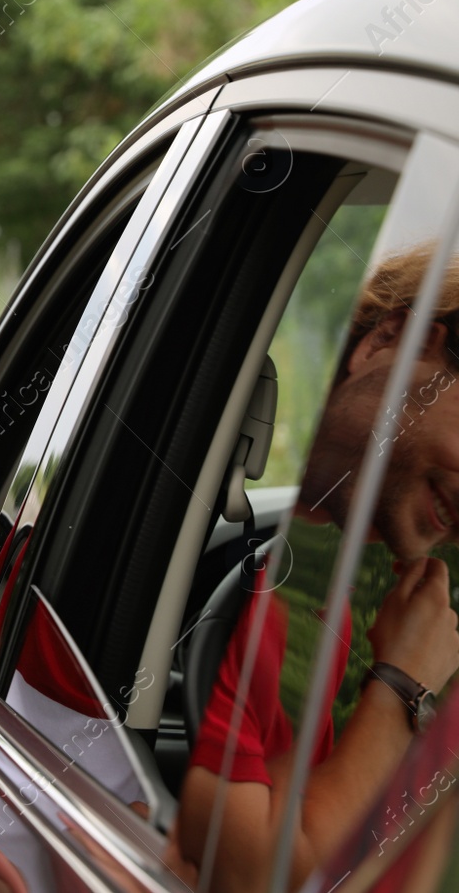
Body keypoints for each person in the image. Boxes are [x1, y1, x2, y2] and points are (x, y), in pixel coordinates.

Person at [178, 245, 459, 892]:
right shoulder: (276, 610)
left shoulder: (321, 609)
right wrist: (404, 685)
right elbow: (257, 873)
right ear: (393, 338)